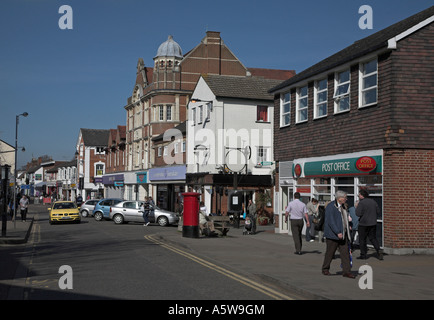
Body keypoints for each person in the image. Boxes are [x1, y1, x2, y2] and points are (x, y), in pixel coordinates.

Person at [321, 190, 355, 278]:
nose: (346, 199)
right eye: (345, 198)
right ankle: (325, 269)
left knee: (345, 253)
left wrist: (349, 226)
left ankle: (346, 271)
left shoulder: (343, 207)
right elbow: (331, 221)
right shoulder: (331, 206)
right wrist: (337, 232)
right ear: (339, 198)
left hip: (344, 234)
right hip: (333, 235)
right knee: (330, 253)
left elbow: (346, 218)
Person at [356, 190, 383, 260]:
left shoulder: (361, 203)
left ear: (362, 195)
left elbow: (358, 214)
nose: (358, 196)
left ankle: (363, 255)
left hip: (363, 224)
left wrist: (357, 207)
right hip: (373, 223)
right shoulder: (373, 201)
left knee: (362, 239)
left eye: (359, 195)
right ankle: (378, 250)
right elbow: (378, 211)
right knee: (373, 238)